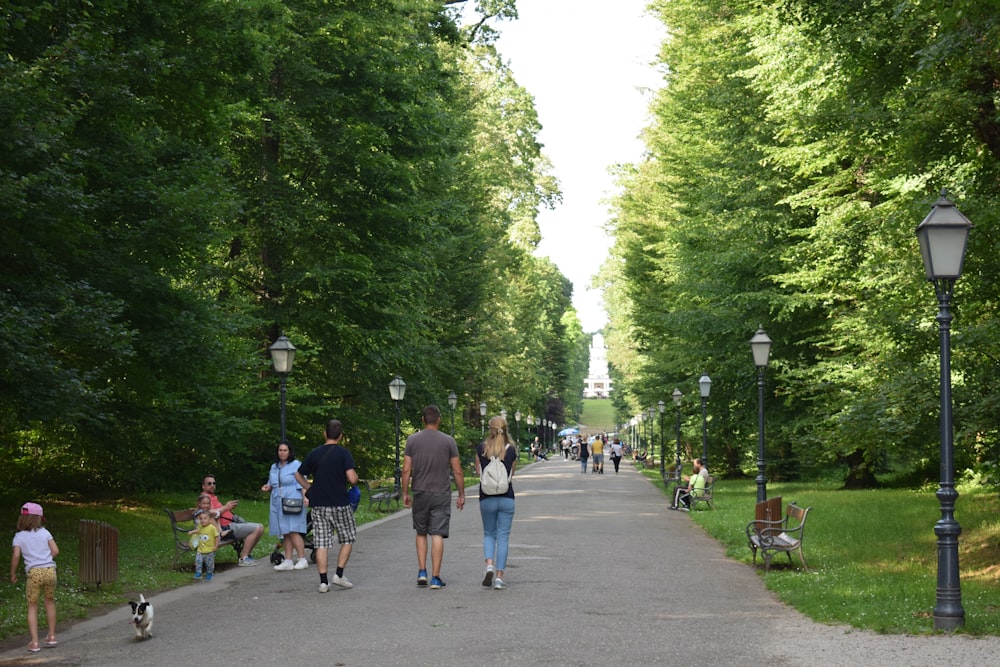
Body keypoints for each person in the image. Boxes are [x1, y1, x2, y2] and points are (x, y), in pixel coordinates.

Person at [401, 404, 465, 589]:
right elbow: (458, 471)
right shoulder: (448, 441)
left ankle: (422, 572)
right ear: (439, 420)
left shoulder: (412, 440)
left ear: (423, 419)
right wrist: (461, 494)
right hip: (441, 493)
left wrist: (405, 492)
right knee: (437, 533)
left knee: (421, 532)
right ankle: (436, 577)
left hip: (420, 491)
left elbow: (406, 469)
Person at [295, 419, 359, 592]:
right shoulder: (344, 454)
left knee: (321, 542)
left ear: (325, 433)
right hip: (340, 503)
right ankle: (338, 574)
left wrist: (310, 488)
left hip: (319, 505)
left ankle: (323, 582)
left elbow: (298, 474)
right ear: (340, 436)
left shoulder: (314, 453)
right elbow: (352, 479)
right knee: (348, 538)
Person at [475, 415, 518, 591]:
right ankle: (499, 577)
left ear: (490, 429)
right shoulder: (512, 450)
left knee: (489, 533)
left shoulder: (482, 448)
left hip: (486, 498)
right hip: (506, 497)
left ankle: (489, 565)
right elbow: (511, 475)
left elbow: (479, 472)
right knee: (503, 537)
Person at [10, 502, 59, 653]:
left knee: (32, 605)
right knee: (49, 602)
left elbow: (16, 556)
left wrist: (13, 573)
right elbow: (56, 551)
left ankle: (35, 642)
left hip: (34, 574)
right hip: (50, 571)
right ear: (38, 519)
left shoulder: (19, 537)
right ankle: (51, 636)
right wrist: (45, 558)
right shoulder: (45, 532)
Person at [261, 441, 309, 571]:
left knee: (293, 529)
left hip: (292, 498)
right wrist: (268, 486)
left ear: (289, 452)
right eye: (280, 450)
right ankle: (288, 560)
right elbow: (272, 482)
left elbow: (303, 482)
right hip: (277, 499)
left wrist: (305, 496)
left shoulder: (296, 465)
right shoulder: (274, 467)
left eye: (285, 450)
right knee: (285, 531)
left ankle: (302, 558)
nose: (282, 452)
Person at [200, 474, 264, 566]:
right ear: (203, 486)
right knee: (256, 528)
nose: (212, 485)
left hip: (230, 524)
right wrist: (226, 507)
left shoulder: (213, 497)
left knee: (261, 527)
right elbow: (209, 513)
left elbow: (218, 512)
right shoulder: (204, 499)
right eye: (209, 483)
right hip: (224, 528)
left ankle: (247, 555)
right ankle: (243, 558)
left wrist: (228, 509)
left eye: (214, 483)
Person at [187, 510, 219, 581]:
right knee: (198, 561)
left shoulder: (212, 528)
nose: (202, 520)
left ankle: (209, 573)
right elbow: (198, 531)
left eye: (205, 518)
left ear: (209, 520)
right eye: (201, 519)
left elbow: (216, 537)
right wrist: (191, 532)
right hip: (200, 550)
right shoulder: (201, 527)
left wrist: (216, 546)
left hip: (210, 550)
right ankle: (198, 573)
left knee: (209, 563)